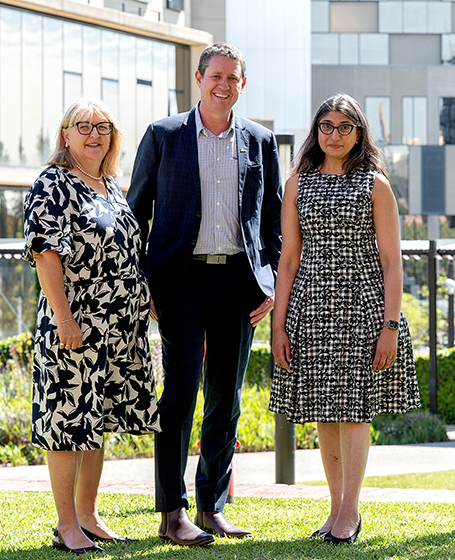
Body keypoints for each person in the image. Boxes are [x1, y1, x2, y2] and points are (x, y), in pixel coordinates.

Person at [128, 43, 282, 546]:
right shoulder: (163, 135)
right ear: (199, 79)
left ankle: (212, 507)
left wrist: (271, 282)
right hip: (180, 282)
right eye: (216, 76)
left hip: (239, 282)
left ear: (242, 84)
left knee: (226, 397)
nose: (224, 85)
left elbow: (274, 220)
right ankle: (172, 512)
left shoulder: (260, 141)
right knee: (180, 391)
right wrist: (145, 282)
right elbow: (135, 214)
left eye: (233, 78)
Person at [269, 93, 420, 545]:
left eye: (344, 127)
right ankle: (334, 508)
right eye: (327, 126)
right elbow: (288, 260)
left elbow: (392, 262)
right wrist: (278, 325)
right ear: (316, 131)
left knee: (353, 410)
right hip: (311, 309)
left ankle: (350, 511)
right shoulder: (297, 183)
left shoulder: (375, 184)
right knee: (325, 412)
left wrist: (389, 327)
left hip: (363, 309)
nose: (334, 135)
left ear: (359, 133)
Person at [23, 96, 159, 554]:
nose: (94, 134)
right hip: (76, 322)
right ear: (66, 135)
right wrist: (64, 318)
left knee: (96, 418)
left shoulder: (110, 185)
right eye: (83, 126)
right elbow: (46, 253)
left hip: (118, 324)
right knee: (67, 420)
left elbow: (126, 250)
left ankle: (88, 515)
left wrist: (143, 294)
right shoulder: (52, 183)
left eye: (103, 127)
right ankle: (66, 525)